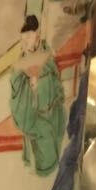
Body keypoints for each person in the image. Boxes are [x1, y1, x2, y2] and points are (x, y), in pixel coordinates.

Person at [10, 15, 66, 176]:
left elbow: (55, 78)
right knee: (45, 134)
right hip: (32, 114)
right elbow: (16, 88)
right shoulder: (21, 63)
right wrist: (31, 85)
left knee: (60, 122)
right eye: (24, 38)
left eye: (30, 36)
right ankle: (44, 169)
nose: (26, 42)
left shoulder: (46, 54)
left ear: (38, 35)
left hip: (51, 107)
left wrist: (57, 94)